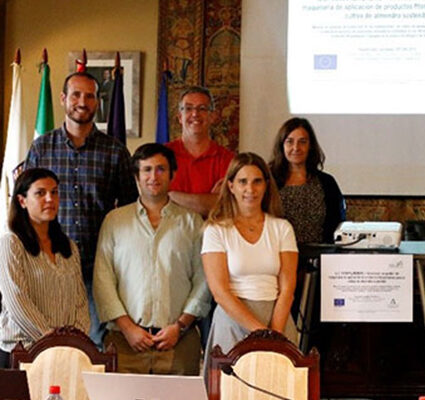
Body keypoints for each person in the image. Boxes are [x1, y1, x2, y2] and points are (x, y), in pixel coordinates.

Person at [24, 71, 138, 346]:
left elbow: (129, 210)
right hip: (49, 263)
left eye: (90, 96)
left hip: (97, 266)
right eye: (76, 95)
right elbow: (27, 205)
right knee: (46, 343)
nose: (82, 102)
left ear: (97, 102)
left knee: (93, 345)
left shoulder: (115, 151)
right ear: (63, 99)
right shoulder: (42, 148)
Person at [93, 144, 210, 375]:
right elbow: (102, 279)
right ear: (136, 176)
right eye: (146, 170)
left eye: (160, 169)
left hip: (178, 343)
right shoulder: (115, 221)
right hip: (125, 342)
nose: (153, 176)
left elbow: (204, 280)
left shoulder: (192, 222)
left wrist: (180, 326)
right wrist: (128, 328)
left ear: (172, 174)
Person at [201, 153, 299, 374]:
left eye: (257, 181)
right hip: (233, 320)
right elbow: (220, 292)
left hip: (278, 320)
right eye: (243, 182)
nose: (250, 189)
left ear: (266, 185)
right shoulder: (215, 230)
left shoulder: (282, 228)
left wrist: (274, 334)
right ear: (231, 186)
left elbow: (287, 288)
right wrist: (261, 334)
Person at [0, 169, 89, 368]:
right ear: (22, 201)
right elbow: (17, 301)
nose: (50, 199)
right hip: (22, 351)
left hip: (65, 353)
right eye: (40, 193)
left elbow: (81, 301)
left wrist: (73, 340)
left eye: (54, 192)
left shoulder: (69, 247)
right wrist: (50, 340)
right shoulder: (11, 243)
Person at [269, 117, 345, 244]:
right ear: (281, 145)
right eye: (290, 142)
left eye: (302, 142)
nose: (296, 147)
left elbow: (337, 224)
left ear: (310, 146)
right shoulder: (269, 181)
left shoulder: (327, 182)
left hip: (319, 254)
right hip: (277, 253)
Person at [166, 86, 235, 217]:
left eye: (202, 108)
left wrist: (171, 196)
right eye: (188, 108)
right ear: (180, 117)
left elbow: (225, 206)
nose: (195, 114)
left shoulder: (228, 159)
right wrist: (207, 200)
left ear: (212, 116)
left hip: (213, 229)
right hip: (170, 229)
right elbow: (154, 200)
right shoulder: (162, 155)